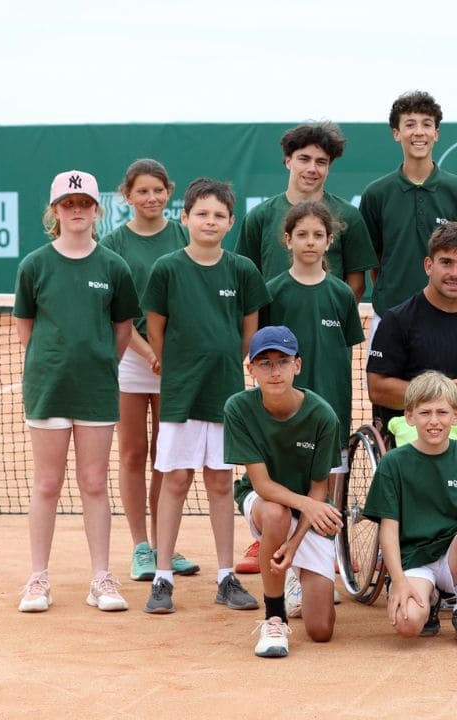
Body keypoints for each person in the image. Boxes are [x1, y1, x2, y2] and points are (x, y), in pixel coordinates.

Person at [14, 170, 140, 613]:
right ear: (55, 211)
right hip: (48, 388)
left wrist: (101, 362)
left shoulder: (113, 267)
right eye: (68, 204)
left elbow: (122, 329)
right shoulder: (34, 265)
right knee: (47, 483)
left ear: (96, 209)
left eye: (84, 203)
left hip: (96, 390)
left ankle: (101, 579)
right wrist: (49, 365)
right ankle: (37, 579)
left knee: (93, 483)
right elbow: (27, 329)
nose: (77, 210)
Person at [142, 178, 269, 615]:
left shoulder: (242, 270)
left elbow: (248, 328)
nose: (210, 221)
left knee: (219, 482)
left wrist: (231, 360)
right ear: (185, 217)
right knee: (175, 481)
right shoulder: (167, 269)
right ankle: (162, 577)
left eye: (219, 215)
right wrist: (171, 364)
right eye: (202, 213)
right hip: (180, 394)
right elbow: (154, 324)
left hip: (225, 393)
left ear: (231, 222)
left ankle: (224, 576)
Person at [248, 202, 363, 599]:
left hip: (331, 412)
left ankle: (319, 560)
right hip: (284, 415)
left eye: (318, 235)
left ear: (329, 242)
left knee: (326, 488)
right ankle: (290, 570)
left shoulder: (342, 295)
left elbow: (347, 349)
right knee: (283, 484)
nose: (310, 242)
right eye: (302, 235)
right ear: (287, 240)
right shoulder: (274, 292)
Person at [98, 159, 198, 582]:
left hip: (178, 361)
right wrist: (147, 351)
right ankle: (141, 546)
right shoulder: (114, 243)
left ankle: (164, 545)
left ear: (169, 192)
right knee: (134, 453)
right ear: (127, 196)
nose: (152, 198)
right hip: (131, 360)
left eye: (158, 190)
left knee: (167, 456)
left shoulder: (183, 235)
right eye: (142, 191)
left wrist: (170, 351)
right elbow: (115, 310)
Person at [224, 326, 344, 658]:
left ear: (298, 365)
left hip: (310, 509)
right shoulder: (238, 408)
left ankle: (294, 575)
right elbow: (262, 485)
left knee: (321, 631)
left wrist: (294, 544)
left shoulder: (323, 415)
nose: (274, 371)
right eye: (264, 363)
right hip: (264, 502)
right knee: (276, 513)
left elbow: (319, 488)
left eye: (282, 361)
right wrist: (307, 506)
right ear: (251, 369)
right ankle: (274, 615)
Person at [362, 371, 457, 648]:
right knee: (407, 624)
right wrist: (399, 581)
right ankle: (431, 598)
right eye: (425, 413)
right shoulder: (393, 463)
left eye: (442, 412)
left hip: (455, 558)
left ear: (456, 415)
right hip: (415, 559)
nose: (434, 421)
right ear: (410, 417)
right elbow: (388, 532)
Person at [366, 223, 457, 482]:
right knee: (439, 456)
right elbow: (377, 389)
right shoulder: (397, 320)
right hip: (414, 419)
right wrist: (440, 394)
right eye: (446, 262)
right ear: (428, 265)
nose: (455, 273)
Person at [360, 91, 457, 330]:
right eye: (410, 124)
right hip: (389, 317)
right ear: (397, 133)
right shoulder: (376, 194)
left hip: (447, 317)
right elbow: (375, 262)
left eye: (427, 124)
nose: (418, 132)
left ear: (436, 133)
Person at [235, 121, 377, 301]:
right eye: (304, 159)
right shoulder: (259, 216)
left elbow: (356, 284)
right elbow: (246, 280)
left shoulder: (349, 215)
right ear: (288, 161)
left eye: (321, 162)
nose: (312, 169)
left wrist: (332, 317)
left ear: (328, 168)